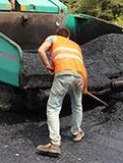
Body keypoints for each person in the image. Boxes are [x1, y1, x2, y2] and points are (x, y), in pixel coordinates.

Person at [35, 27, 86, 157]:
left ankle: (55, 144)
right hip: (79, 76)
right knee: (77, 105)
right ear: (68, 37)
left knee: (53, 108)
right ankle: (76, 132)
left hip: (63, 74)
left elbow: (41, 50)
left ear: (58, 35)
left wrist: (48, 66)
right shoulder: (76, 46)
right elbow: (82, 66)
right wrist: (84, 85)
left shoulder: (53, 38)